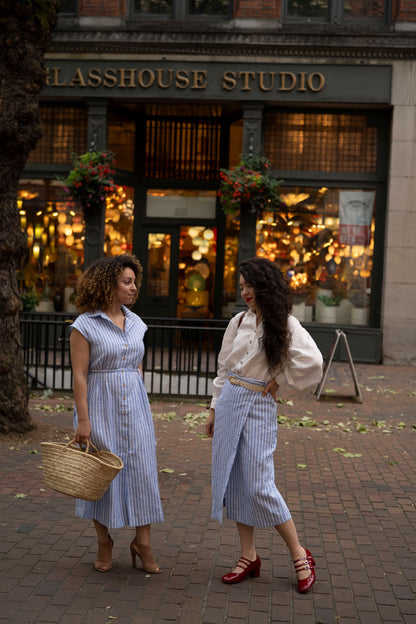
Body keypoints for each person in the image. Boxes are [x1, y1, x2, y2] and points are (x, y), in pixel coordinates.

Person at [206, 257, 323, 592]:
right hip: (229, 402)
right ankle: (248, 556)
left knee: (259, 485)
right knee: (235, 481)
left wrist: (280, 378)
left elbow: (313, 362)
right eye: (241, 286)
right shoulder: (239, 321)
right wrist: (213, 409)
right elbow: (224, 370)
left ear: (265, 286)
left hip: (258, 406)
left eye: (249, 286)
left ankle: (299, 554)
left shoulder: (284, 324)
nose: (244, 292)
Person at [70, 254, 164, 573]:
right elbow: (80, 374)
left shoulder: (137, 322)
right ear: (109, 285)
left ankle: (143, 544)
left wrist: (135, 390)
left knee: (142, 470)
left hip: (134, 407)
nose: (134, 287)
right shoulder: (85, 325)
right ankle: (103, 541)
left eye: (134, 281)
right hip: (99, 406)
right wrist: (84, 420)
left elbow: (137, 362)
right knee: (101, 474)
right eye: (127, 282)